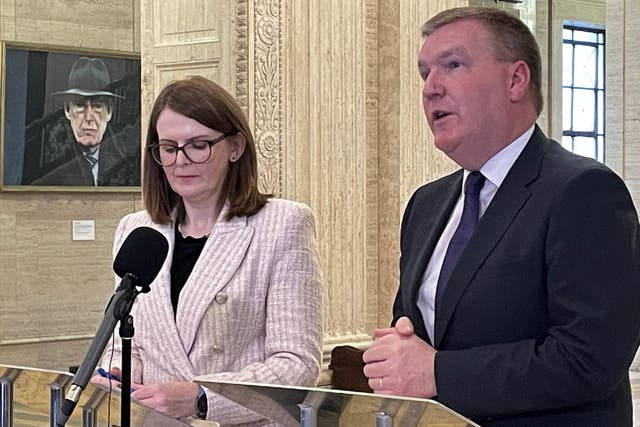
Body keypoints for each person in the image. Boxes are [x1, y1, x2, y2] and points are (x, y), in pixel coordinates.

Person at [362, 6, 640, 426]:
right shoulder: (426, 204)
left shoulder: (584, 191)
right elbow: (415, 334)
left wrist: (435, 372)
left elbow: (590, 360)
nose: (430, 88)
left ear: (515, 80)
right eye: (424, 73)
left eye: (452, 65)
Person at [93, 76, 323, 424]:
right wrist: (118, 372)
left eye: (198, 145)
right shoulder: (137, 230)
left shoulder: (282, 224)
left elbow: (297, 365)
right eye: (169, 148)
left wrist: (201, 397)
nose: (180, 161)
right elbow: (131, 341)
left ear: (235, 147)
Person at [31, 57, 140, 186]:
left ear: (109, 112)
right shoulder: (49, 168)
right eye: (80, 105)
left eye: (97, 106)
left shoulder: (127, 158)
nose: (88, 117)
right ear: (67, 110)